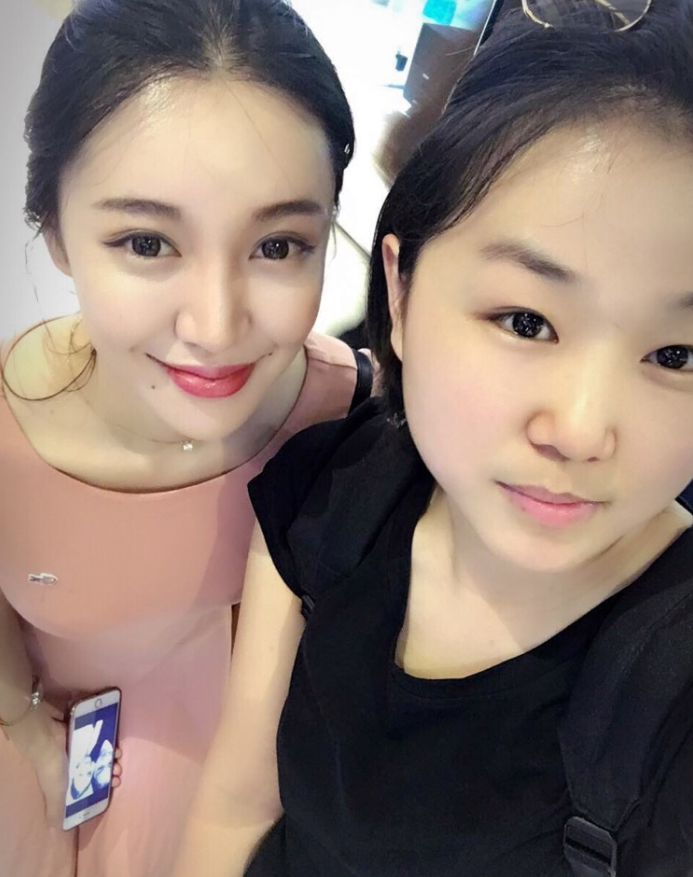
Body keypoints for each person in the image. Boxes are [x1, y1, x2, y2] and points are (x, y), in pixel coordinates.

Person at [173, 1, 693, 875]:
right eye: (524, 320)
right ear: (401, 291)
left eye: (677, 354)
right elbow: (236, 809)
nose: (579, 430)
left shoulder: (669, 692)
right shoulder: (328, 499)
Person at [0, 0, 362, 875]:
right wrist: (20, 720)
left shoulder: (350, 415)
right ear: (55, 230)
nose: (215, 326)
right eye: (146, 241)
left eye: (278, 245)